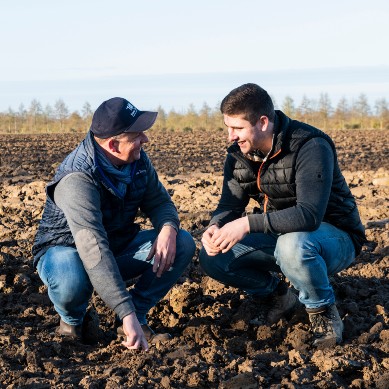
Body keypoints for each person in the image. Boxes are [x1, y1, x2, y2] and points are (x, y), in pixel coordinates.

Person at [199, 83, 366, 347]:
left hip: (333, 238)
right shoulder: (238, 156)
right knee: (213, 256)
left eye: (238, 128)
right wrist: (215, 226)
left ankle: (322, 312)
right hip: (280, 234)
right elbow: (228, 207)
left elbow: (309, 215)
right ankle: (277, 295)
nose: (230, 136)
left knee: (293, 245)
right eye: (227, 127)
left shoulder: (310, 146)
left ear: (263, 122)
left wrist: (246, 224)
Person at [32, 97, 196, 351]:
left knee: (182, 242)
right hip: (68, 251)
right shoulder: (77, 179)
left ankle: (134, 318)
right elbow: (92, 248)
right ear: (113, 144)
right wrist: (123, 307)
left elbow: (160, 203)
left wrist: (168, 229)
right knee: (70, 273)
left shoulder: (138, 161)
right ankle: (72, 322)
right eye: (138, 134)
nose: (146, 139)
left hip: (117, 245)